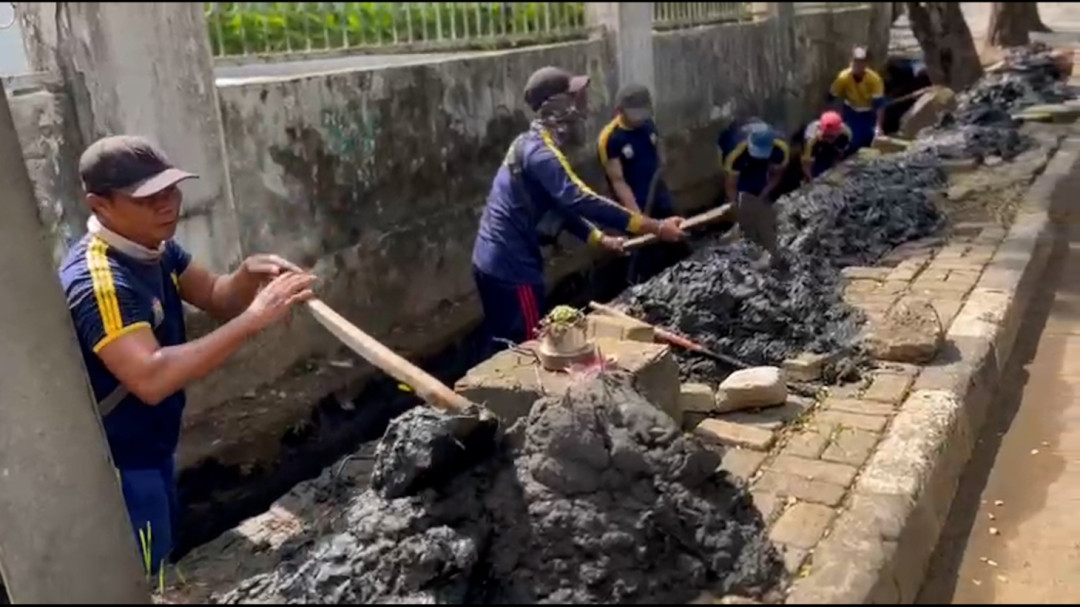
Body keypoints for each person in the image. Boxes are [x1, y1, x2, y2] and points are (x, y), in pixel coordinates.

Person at [58, 135, 317, 578]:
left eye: (171, 190)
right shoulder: (100, 282)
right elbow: (151, 378)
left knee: (163, 550)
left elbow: (217, 296)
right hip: (120, 463)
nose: (167, 205)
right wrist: (255, 317)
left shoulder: (153, 247)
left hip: (154, 443)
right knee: (143, 574)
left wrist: (246, 276)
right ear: (99, 205)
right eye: (148, 198)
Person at [471, 66, 686, 351]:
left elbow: (560, 207)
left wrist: (600, 239)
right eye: (575, 97)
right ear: (558, 105)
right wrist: (655, 227)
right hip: (512, 268)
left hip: (493, 260)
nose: (582, 106)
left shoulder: (531, 144)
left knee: (503, 337)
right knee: (526, 346)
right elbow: (579, 199)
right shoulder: (542, 154)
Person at [598, 83, 687, 284]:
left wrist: (663, 164)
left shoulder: (648, 125)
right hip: (635, 202)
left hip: (658, 194)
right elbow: (618, 181)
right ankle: (638, 284)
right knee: (644, 252)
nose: (640, 118)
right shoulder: (611, 138)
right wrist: (637, 216)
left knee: (676, 237)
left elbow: (658, 146)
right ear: (620, 110)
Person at [828, 45, 886, 152]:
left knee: (868, 140)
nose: (858, 65)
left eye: (861, 62)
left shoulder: (874, 80)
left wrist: (878, 126)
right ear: (850, 61)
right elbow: (832, 97)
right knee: (850, 141)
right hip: (850, 112)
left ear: (866, 64)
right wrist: (833, 119)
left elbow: (879, 105)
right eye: (855, 61)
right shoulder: (843, 77)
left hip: (868, 114)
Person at [718, 119, 791, 203]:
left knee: (760, 180)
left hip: (755, 154)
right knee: (739, 186)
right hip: (733, 143)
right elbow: (731, 185)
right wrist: (736, 204)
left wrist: (762, 196)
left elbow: (777, 174)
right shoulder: (735, 152)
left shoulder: (781, 148)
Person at [801, 110, 853, 181]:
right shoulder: (812, 139)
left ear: (839, 131)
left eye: (831, 136)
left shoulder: (846, 134)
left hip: (833, 148)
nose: (828, 140)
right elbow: (806, 164)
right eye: (825, 136)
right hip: (818, 148)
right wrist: (811, 179)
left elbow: (841, 154)